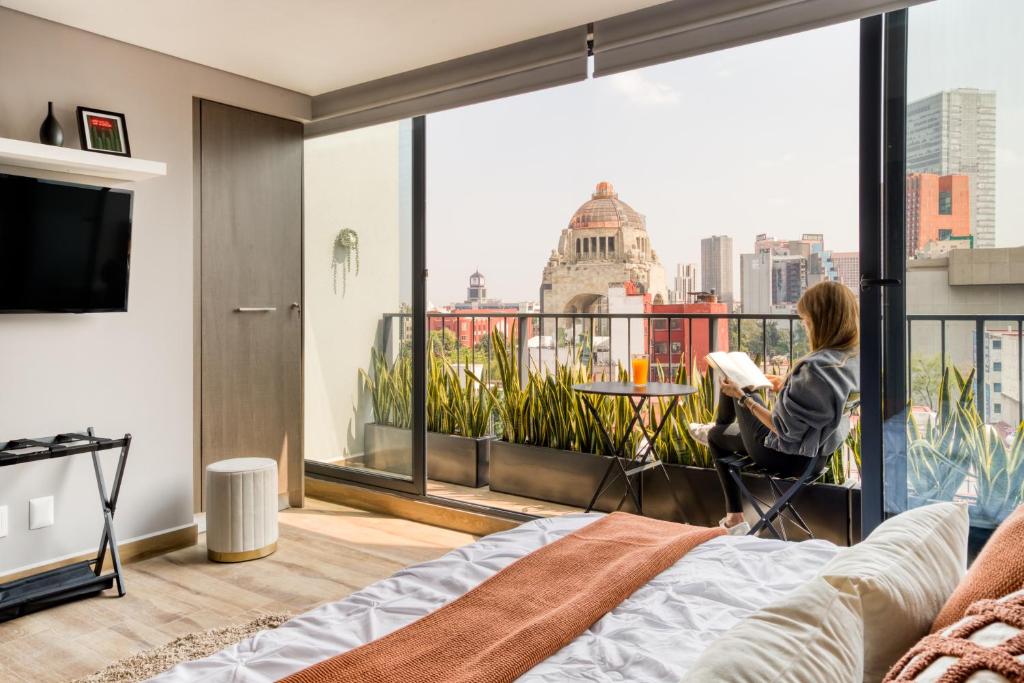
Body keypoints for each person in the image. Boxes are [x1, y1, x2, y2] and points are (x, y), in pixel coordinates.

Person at [691, 280, 860, 535]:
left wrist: (743, 397)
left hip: (785, 455)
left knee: (728, 401)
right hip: (817, 457)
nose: (805, 327)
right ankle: (720, 429)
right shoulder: (851, 359)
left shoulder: (815, 368)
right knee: (736, 389)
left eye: (807, 321)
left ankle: (733, 513)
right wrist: (784, 384)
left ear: (822, 321)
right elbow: (820, 403)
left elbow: (783, 429)